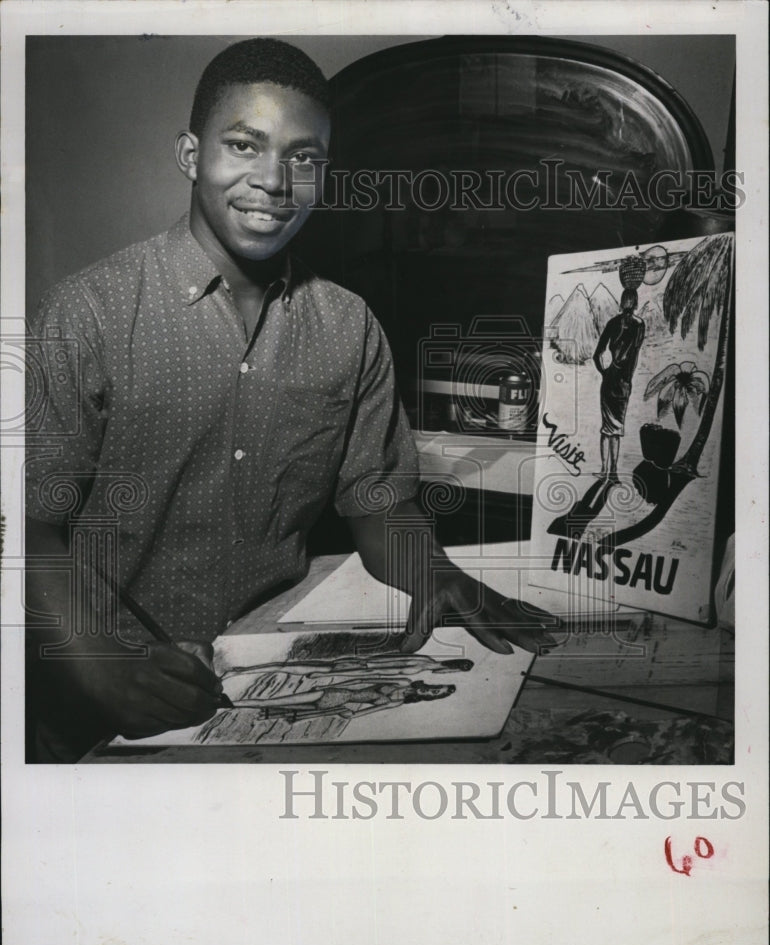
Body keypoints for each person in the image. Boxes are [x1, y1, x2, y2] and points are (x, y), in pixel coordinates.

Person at [25, 38, 557, 762]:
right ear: (190, 154)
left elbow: (377, 503)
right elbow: (26, 528)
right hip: (91, 694)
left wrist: (435, 574)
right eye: (244, 145)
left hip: (257, 684)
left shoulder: (349, 326)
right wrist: (100, 661)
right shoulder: (88, 313)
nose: (275, 180)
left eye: (304, 158)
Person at [592, 288, 646, 480]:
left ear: (623, 302)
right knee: (616, 429)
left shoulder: (613, 323)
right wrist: (627, 378)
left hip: (610, 378)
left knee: (606, 428)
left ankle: (604, 469)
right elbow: (634, 355)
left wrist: (604, 372)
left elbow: (597, 354)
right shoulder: (639, 325)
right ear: (636, 302)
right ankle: (613, 471)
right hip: (624, 381)